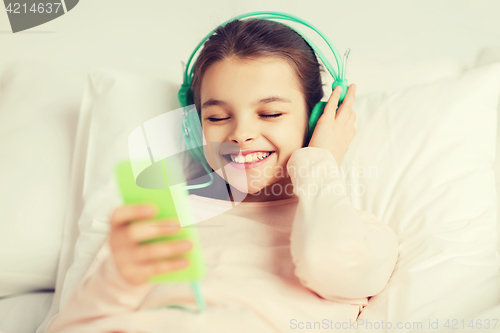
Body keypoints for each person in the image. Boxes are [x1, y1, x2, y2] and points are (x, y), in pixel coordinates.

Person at [45, 18, 399, 333]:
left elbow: (330, 263)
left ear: (316, 120)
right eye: (216, 117)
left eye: (271, 113)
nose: (241, 134)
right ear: (195, 130)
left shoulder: (358, 235)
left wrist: (319, 160)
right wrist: (119, 279)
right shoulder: (159, 224)